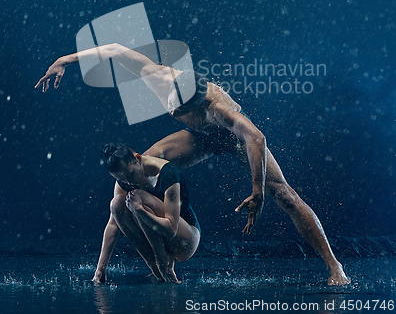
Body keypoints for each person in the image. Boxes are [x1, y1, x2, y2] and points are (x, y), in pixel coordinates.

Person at [35, 43, 350, 285]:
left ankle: (335, 267)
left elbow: (256, 138)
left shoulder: (219, 109)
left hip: (231, 139)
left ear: (200, 105)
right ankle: (158, 254)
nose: (174, 113)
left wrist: (258, 191)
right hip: (198, 137)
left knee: (285, 195)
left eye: (184, 111)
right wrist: (64, 60)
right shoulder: (159, 77)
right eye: (174, 109)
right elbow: (115, 50)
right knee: (138, 167)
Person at [93, 143, 200, 283]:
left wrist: (140, 211)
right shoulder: (124, 181)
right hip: (157, 237)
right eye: (121, 179)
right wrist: (100, 269)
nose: (128, 182)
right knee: (116, 204)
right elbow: (113, 225)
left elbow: (171, 230)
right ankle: (153, 264)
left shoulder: (167, 173)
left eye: (130, 174)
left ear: (137, 158)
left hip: (185, 240)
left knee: (138, 198)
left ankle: (162, 263)